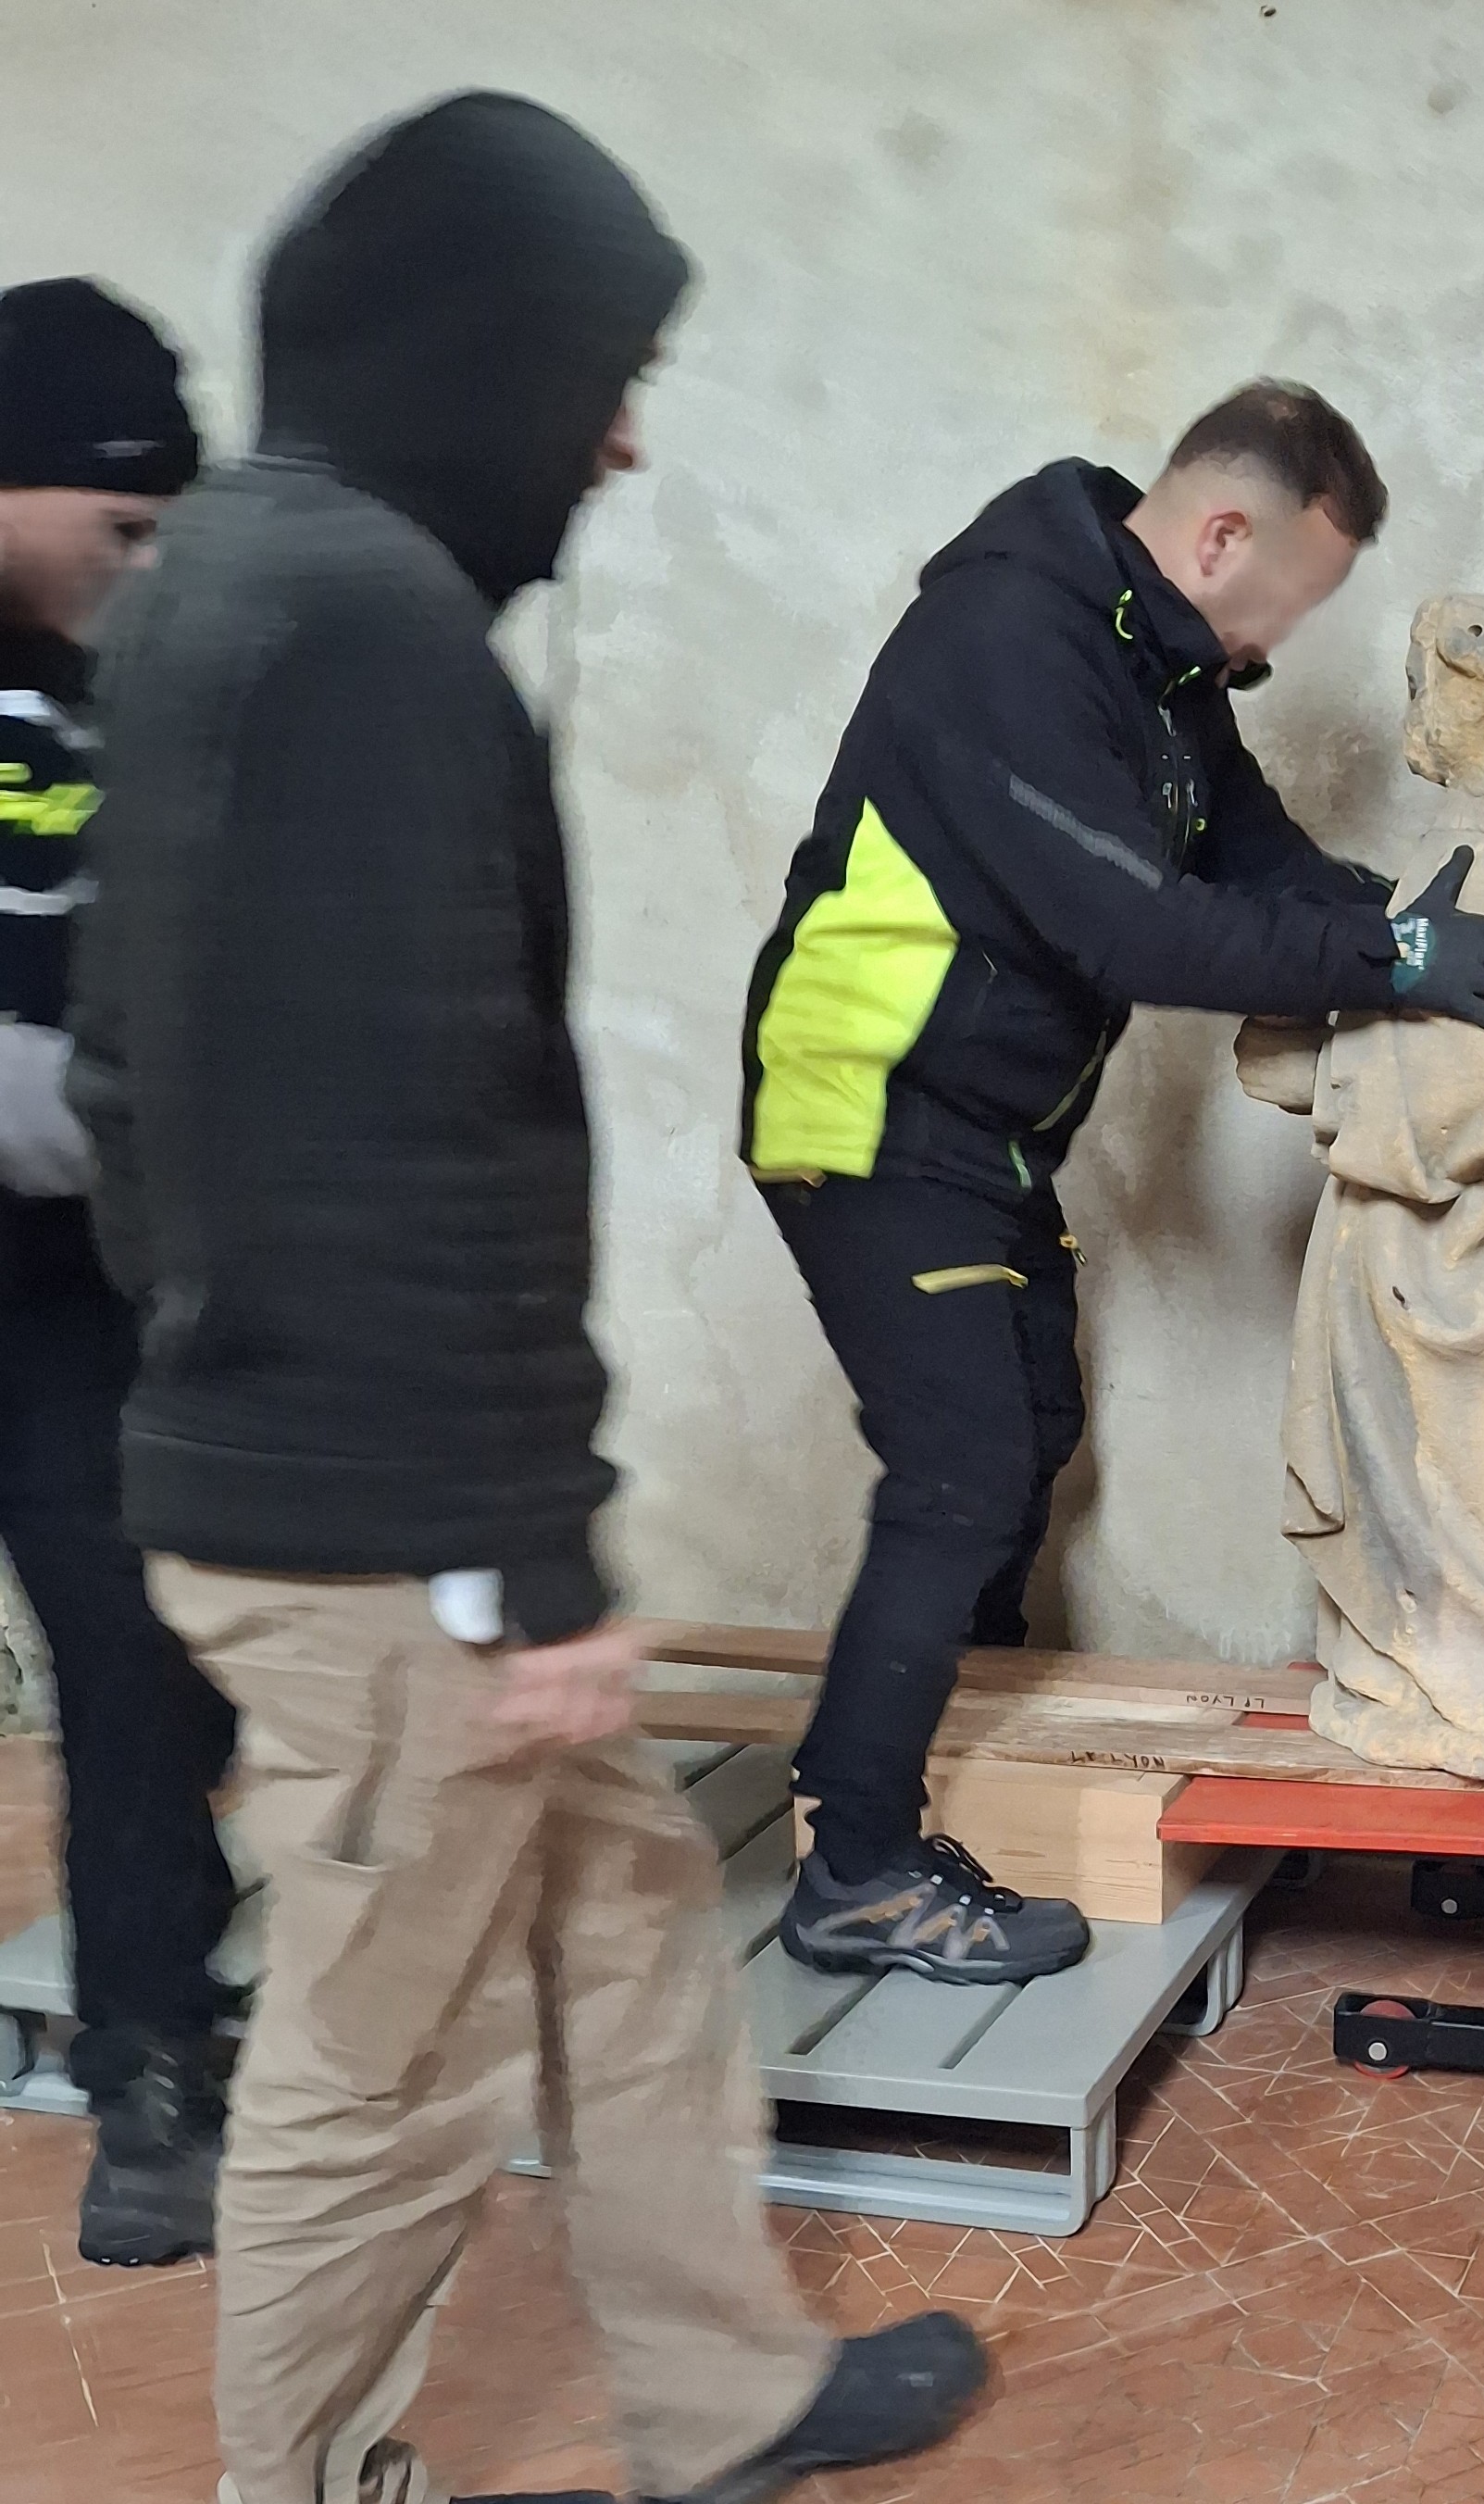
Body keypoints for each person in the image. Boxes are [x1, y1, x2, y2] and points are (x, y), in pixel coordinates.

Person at [70, 94, 983, 2504]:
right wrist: (528, 1561)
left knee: (626, 1912)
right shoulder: (363, 630)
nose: (622, 439)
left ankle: (724, 2397)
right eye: (602, 377)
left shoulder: (219, 582)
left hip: (315, 1474)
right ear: (478, 354)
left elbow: (136, 1090)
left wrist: (225, 1367)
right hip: (383, 1538)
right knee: (386, 2063)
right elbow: (426, 1142)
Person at [741, 383, 1484, 1982]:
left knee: (1030, 1426)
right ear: (1222, 533)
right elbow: (1136, 930)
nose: (1279, 642)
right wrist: (1391, 964)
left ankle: (950, 1737)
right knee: (965, 1464)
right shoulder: (1009, 640)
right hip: (863, 1105)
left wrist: (1402, 918)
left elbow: (1254, 862)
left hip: (985, 1129)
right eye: (1291, 602)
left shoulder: (1161, 662)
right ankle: (857, 1865)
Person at [0, 277, 231, 2269]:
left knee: (141, 1662)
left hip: (76, 1282)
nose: (145, 563)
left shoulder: (139, 683)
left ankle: (146, 2068)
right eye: (120, 521)